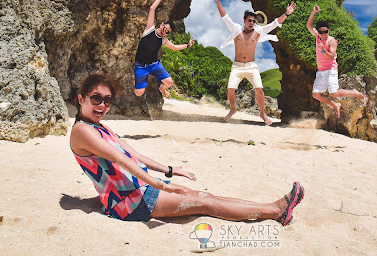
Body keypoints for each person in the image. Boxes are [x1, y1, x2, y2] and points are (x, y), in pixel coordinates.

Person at [70, 73, 305, 224]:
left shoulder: (100, 127)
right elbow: (119, 159)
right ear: (81, 99)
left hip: (141, 187)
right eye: (96, 98)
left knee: (206, 196)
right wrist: (160, 184)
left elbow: (135, 155)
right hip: (129, 202)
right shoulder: (82, 131)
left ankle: (274, 208)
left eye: (107, 100)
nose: (102, 105)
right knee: (204, 204)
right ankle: (276, 211)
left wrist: (170, 170)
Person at [211, 0, 296, 125]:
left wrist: (286, 13)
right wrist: (217, 1)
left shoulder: (257, 32)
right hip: (237, 66)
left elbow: (275, 24)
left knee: (259, 90)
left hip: (251, 66)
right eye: (250, 20)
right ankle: (233, 110)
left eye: (254, 21)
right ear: (244, 21)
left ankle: (262, 114)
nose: (252, 23)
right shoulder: (236, 30)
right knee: (231, 89)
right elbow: (224, 16)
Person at [134, 0, 194, 99]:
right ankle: (140, 82)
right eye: (165, 28)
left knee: (169, 82)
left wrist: (188, 45)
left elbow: (174, 47)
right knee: (139, 93)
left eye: (167, 32)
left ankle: (162, 88)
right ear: (162, 25)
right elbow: (152, 8)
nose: (164, 32)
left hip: (154, 65)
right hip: (141, 65)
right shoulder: (150, 29)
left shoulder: (163, 39)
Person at [306, 4, 364, 117]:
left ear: (328, 31)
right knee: (316, 94)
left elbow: (331, 56)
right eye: (321, 32)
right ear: (318, 32)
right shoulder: (318, 37)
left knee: (334, 93)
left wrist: (323, 50)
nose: (323, 34)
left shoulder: (332, 41)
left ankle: (354, 93)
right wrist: (313, 12)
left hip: (330, 69)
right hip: (321, 70)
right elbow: (309, 26)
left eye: (326, 31)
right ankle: (335, 105)